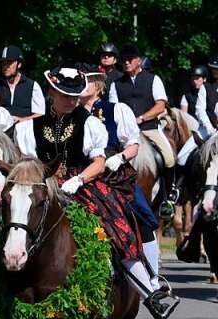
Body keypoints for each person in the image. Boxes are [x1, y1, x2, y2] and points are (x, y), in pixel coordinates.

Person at [17, 66, 178, 319]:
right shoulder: (30, 127)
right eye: (64, 95)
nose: (70, 101)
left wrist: (78, 179)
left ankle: (149, 290)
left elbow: (99, 162)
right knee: (10, 223)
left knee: (118, 228)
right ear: (51, 92)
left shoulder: (89, 122)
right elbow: (27, 163)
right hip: (43, 186)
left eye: (74, 96)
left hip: (83, 185)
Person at [80, 67, 166, 295]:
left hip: (114, 174)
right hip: (81, 175)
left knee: (144, 217)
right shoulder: (70, 112)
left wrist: (121, 157)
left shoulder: (116, 110)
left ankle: (153, 279)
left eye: (85, 81)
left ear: (97, 85)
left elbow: (134, 145)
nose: (80, 85)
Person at [109, 44, 178, 217]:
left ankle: (168, 198)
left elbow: (160, 105)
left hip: (149, 129)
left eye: (129, 60)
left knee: (169, 158)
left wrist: (141, 118)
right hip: (125, 133)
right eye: (123, 60)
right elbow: (113, 108)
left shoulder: (153, 79)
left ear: (138, 61)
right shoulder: (116, 84)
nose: (126, 63)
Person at [0, 45, 45, 122]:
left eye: (9, 62)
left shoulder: (32, 86)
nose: (5, 66)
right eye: (3, 63)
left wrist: (22, 120)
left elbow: (40, 114)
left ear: (19, 64)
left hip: (25, 131)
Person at [181, 65, 217, 139]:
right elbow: (198, 111)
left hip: (212, 125)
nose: (194, 81)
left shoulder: (210, 89)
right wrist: (210, 129)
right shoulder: (187, 96)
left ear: (204, 79)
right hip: (203, 127)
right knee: (186, 150)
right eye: (193, 78)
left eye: (197, 78)